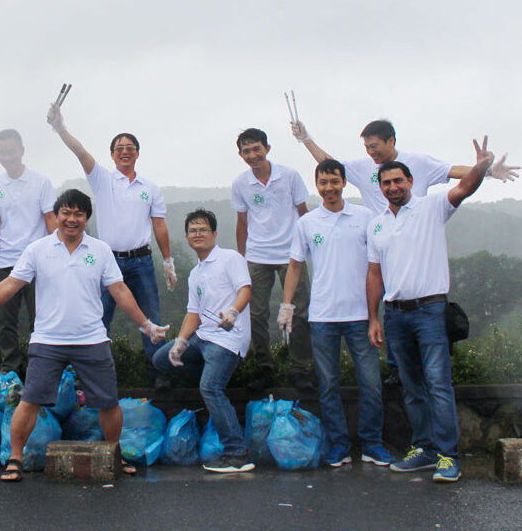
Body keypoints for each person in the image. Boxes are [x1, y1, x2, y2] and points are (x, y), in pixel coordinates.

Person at [0, 190, 170, 482]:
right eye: (66, 212)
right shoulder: (38, 249)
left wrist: (146, 324)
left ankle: (113, 454)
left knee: (108, 402)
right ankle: (15, 459)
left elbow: (120, 291)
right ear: (57, 215)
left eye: (79, 213)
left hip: (92, 339)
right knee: (29, 401)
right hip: (47, 340)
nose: (72, 219)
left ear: (86, 218)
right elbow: (11, 284)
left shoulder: (101, 250)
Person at [291, 118, 519, 386]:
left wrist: (487, 171)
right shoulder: (365, 168)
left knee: (422, 300)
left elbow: (454, 171)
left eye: (374, 146)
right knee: (391, 304)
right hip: (382, 244)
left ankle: (433, 362)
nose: (371, 153)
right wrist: (306, 139)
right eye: (366, 147)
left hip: (417, 243)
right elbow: (330, 164)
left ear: (391, 141)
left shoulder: (418, 163)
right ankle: (397, 367)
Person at [366, 137, 495, 483]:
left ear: (410, 182)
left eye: (398, 181)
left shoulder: (431, 206)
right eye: (386, 182)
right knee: (411, 387)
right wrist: (374, 318)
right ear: (379, 187)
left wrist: (480, 168)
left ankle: (449, 456)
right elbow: (374, 274)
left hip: (429, 311)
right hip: (394, 313)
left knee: (438, 384)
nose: (393, 187)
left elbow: (464, 188)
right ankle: (423, 449)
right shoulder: (376, 224)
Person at [47, 102, 177, 391]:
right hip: (106, 262)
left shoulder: (150, 188)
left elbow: (159, 225)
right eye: (119, 147)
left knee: (150, 315)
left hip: (141, 261)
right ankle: (86, 375)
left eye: (130, 146)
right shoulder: (103, 179)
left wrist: (167, 261)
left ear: (137, 153)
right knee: (97, 317)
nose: (125, 150)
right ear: (112, 154)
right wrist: (60, 128)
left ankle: (160, 372)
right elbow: (81, 152)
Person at [281, 159, 393, 468]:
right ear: (316, 186)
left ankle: (372, 444)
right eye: (323, 183)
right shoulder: (307, 223)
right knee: (327, 384)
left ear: (344, 182)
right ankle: (339, 445)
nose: (329, 188)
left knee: (370, 383)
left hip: (361, 315)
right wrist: (286, 305)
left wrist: (375, 314)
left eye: (334, 181)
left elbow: (377, 266)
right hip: (322, 316)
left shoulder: (365, 216)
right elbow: (294, 265)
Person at [152, 209, 254, 473]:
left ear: (214, 234)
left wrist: (233, 311)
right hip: (203, 337)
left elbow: (245, 290)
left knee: (210, 387)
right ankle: (210, 379)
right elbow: (193, 313)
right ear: (187, 237)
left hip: (228, 338)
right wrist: (181, 342)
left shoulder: (230, 258)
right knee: (161, 359)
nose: (198, 234)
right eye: (193, 230)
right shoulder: (195, 273)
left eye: (203, 229)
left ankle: (237, 453)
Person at [230, 128, 313, 391]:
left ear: (267, 148)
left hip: (291, 254)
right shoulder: (240, 183)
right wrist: (242, 259)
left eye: (257, 149)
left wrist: (306, 249)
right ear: (240, 154)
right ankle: (264, 366)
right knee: (255, 313)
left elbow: (304, 213)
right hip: (257, 255)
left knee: (299, 311)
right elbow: (242, 222)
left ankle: (300, 368)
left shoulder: (289, 176)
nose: (252, 155)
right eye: (246, 151)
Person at [0, 129, 57, 374]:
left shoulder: (41, 182)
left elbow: (51, 220)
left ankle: (40, 365)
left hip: (37, 262)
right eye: (2, 153)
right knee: (6, 321)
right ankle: (9, 368)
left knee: (41, 319)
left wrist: (57, 254)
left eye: (11, 152)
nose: (7, 158)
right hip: (5, 263)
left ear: (22, 151)